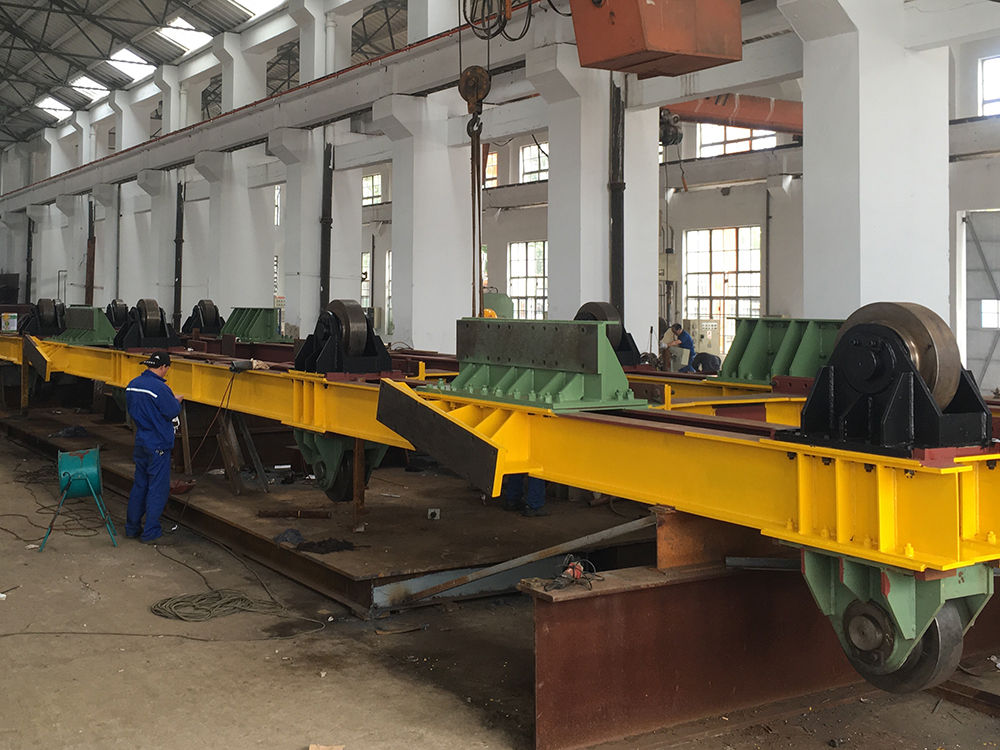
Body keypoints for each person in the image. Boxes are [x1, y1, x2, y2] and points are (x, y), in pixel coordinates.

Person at [125, 351, 183, 544]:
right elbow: (171, 411)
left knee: (140, 484)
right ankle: (150, 532)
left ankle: (132, 528)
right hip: (158, 443)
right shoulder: (159, 388)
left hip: (141, 439)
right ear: (164, 367)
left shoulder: (133, 385)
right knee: (157, 488)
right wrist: (176, 401)